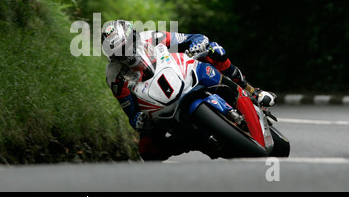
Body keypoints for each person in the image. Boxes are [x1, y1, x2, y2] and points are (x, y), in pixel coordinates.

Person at [102, 20, 276, 161]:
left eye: (127, 45)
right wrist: (137, 119)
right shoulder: (114, 75)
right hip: (154, 105)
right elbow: (129, 109)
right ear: (112, 57)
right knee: (147, 152)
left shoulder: (152, 37)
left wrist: (197, 43)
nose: (126, 53)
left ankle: (252, 90)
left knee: (214, 50)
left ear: (134, 36)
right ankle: (191, 142)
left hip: (180, 73)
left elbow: (192, 38)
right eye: (118, 52)